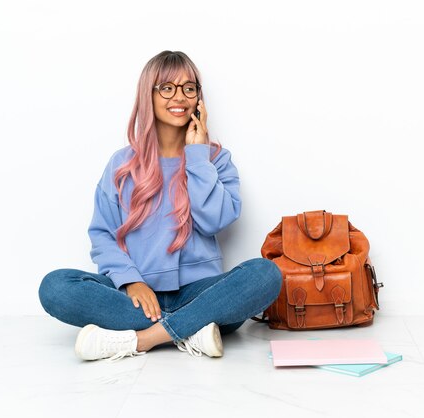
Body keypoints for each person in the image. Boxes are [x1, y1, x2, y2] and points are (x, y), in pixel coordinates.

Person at [38, 50, 282, 363]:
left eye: (188, 88)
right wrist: (132, 281)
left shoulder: (216, 160)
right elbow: (103, 235)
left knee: (265, 274)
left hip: (200, 293)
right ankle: (192, 329)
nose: (179, 97)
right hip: (136, 297)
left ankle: (143, 339)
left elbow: (214, 221)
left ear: (199, 98)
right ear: (148, 95)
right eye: (166, 88)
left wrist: (197, 156)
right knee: (55, 287)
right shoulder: (122, 164)